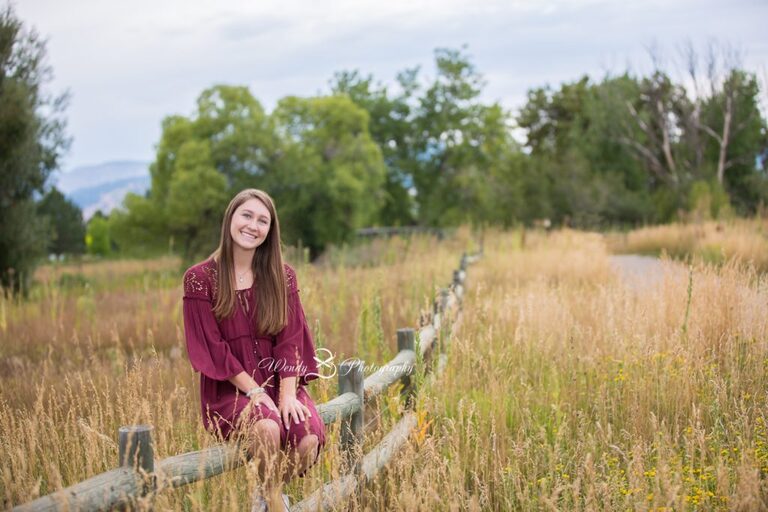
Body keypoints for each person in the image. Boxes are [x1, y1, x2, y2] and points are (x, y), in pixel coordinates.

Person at [182, 189, 326, 511]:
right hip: (230, 390)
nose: (253, 225)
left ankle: (264, 495)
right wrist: (255, 392)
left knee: (307, 439)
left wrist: (286, 395)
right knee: (267, 427)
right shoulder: (199, 279)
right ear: (230, 219)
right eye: (246, 215)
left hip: (279, 382)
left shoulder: (281, 276)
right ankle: (275, 505)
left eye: (263, 220)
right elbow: (213, 348)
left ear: (269, 231)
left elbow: (290, 340)